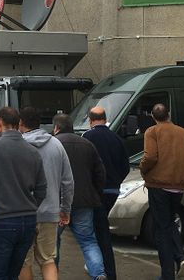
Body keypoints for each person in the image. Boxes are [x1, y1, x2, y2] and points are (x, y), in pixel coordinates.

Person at [0, 107, 47, 280]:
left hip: (1, 218)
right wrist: (31, 207)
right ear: (19, 124)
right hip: (28, 220)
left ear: (0, 123)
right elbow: (41, 188)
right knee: (13, 272)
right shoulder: (33, 152)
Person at [139, 103, 184, 280]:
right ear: (169, 114)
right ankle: (180, 258)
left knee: (162, 230)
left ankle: (168, 273)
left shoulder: (152, 131)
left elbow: (150, 156)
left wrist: (143, 169)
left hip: (158, 185)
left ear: (153, 117)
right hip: (178, 186)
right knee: (168, 224)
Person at [18, 107, 73, 280]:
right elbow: (68, 181)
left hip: (23, 212)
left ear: (20, 123)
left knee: (24, 261)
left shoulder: (18, 145)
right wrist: (65, 209)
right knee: (48, 260)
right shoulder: (56, 144)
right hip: (50, 212)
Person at [53, 114, 109, 280]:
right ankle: (99, 274)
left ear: (56, 128)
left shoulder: (53, 144)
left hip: (58, 202)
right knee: (88, 241)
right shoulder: (87, 144)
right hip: (84, 201)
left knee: (53, 242)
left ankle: (52, 274)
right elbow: (100, 173)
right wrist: (95, 194)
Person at [82, 108, 130, 280]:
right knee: (99, 227)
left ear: (90, 120)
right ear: (105, 119)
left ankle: (106, 271)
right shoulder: (117, 139)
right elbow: (125, 166)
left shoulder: (87, 138)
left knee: (98, 232)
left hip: (96, 191)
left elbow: (85, 165)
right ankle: (98, 266)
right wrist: (116, 180)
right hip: (112, 190)